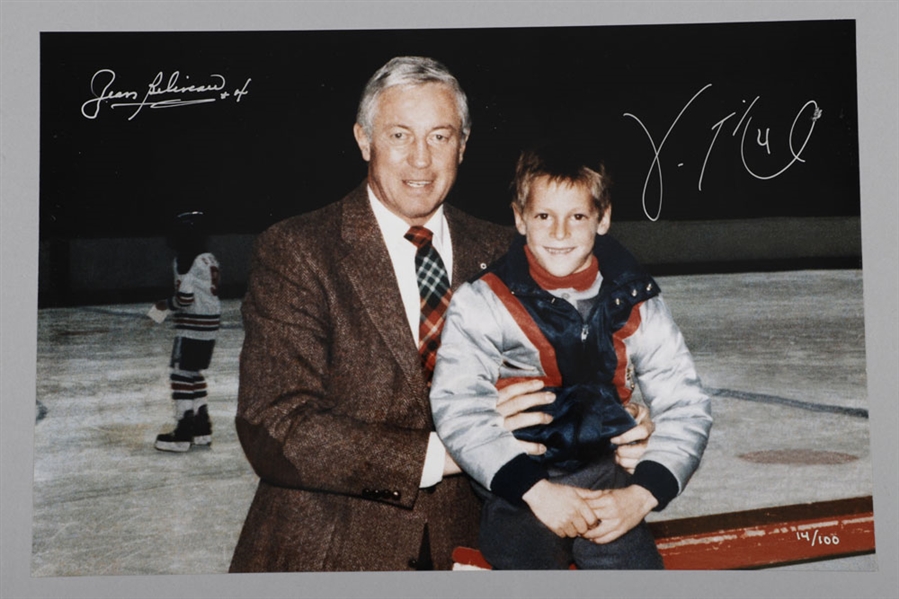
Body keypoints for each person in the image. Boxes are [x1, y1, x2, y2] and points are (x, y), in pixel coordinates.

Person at [229, 56, 653, 572]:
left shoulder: (510, 251)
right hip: (332, 551)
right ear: (364, 140)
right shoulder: (299, 250)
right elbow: (276, 425)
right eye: (400, 136)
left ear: (464, 144)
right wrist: (450, 451)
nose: (421, 161)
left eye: (440, 137)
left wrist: (617, 415)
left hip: (480, 546)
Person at [430, 144, 713, 569]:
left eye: (577, 216)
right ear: (520, 218)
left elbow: (685, 403)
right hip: (519, 483)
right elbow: (458, 405)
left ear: (603, 218)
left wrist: (642, 494)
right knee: (528, 560)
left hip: (603, 478)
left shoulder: (635, 299)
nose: (560, 233)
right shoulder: (485, 301)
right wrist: (533, 490)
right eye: (544, 216)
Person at [152, 211, 221, 453]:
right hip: (210, 322)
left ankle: (183, 431)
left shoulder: (184, 258)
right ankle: (202, 426)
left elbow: (184, 298)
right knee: (194, 373)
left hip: (193, 325)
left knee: (180, 374)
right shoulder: (208, 257)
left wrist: (163, 306)